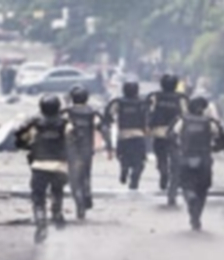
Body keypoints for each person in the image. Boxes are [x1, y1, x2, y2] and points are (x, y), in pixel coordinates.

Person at [15, 95, 71, 243]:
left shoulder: (35, 122)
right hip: (60, 165)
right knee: (57, 191)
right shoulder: (65, 123)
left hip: (39, 165)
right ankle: (57, 212)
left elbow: (18, 132)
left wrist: (25, 145)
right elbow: (75, 139)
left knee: (38, 197)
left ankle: (41, 221)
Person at [169, 96, 224, 230]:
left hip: (186, 157)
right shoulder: (210, 123)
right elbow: (222, 140)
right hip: (204, 159)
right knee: (202, 189)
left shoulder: (182, 121)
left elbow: (172, 136)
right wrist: (214, 148)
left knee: (186, 185)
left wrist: (179, 148)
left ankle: (190, 198)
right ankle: (196, 218)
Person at [63, 85, 113, 219]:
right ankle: (86, 194)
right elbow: (104, 129)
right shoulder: (93, 113)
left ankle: (79, 203)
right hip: (87, 150)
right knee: (85, 175)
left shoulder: (67, 113)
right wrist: (109, 147)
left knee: (74, 180)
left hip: (72, 150)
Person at [146, 74, 189, 205]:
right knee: (176, 164)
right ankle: (172, 192)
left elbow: (148, 112)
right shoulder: (181, 98)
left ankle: (163, 172)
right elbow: (186, 115)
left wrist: (147, 127)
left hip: (158, 133)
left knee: (161, 158)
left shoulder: (154, 97)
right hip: (175, 134)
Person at [104, 81, 148, 190]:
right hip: (139, 135)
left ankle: (124, 167)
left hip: (123, 135)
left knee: (123, 156)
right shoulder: (142, 103)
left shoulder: (118, 102)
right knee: (140, 162)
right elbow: (149, 116)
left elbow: (108, 114)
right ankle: (134, 180)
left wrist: (108, 123)